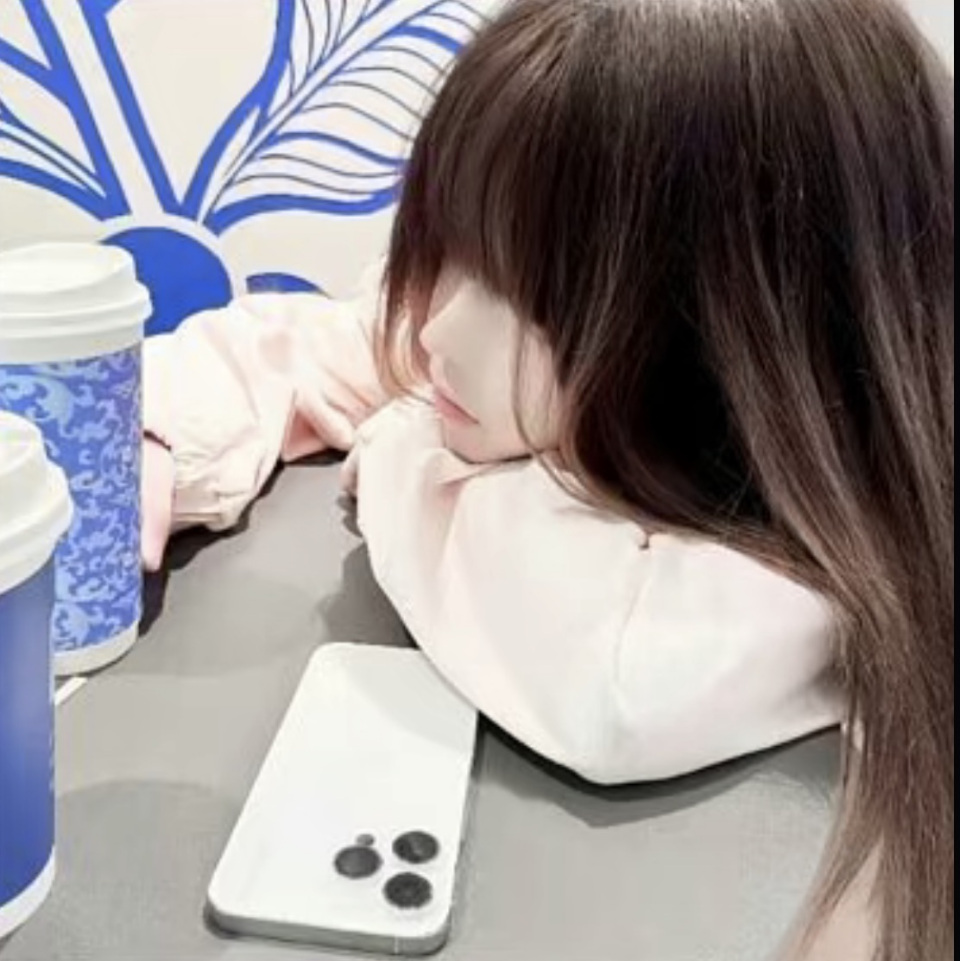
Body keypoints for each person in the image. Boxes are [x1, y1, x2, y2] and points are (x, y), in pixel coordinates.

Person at [141, 1, 954, 958]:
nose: (440, 326)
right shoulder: (501, 342)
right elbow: (319, 341)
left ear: (738, 346)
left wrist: (402, 454)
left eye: (532, 292)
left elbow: (619, 676)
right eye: (450, 247)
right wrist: (155, 437)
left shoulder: (836, 568)